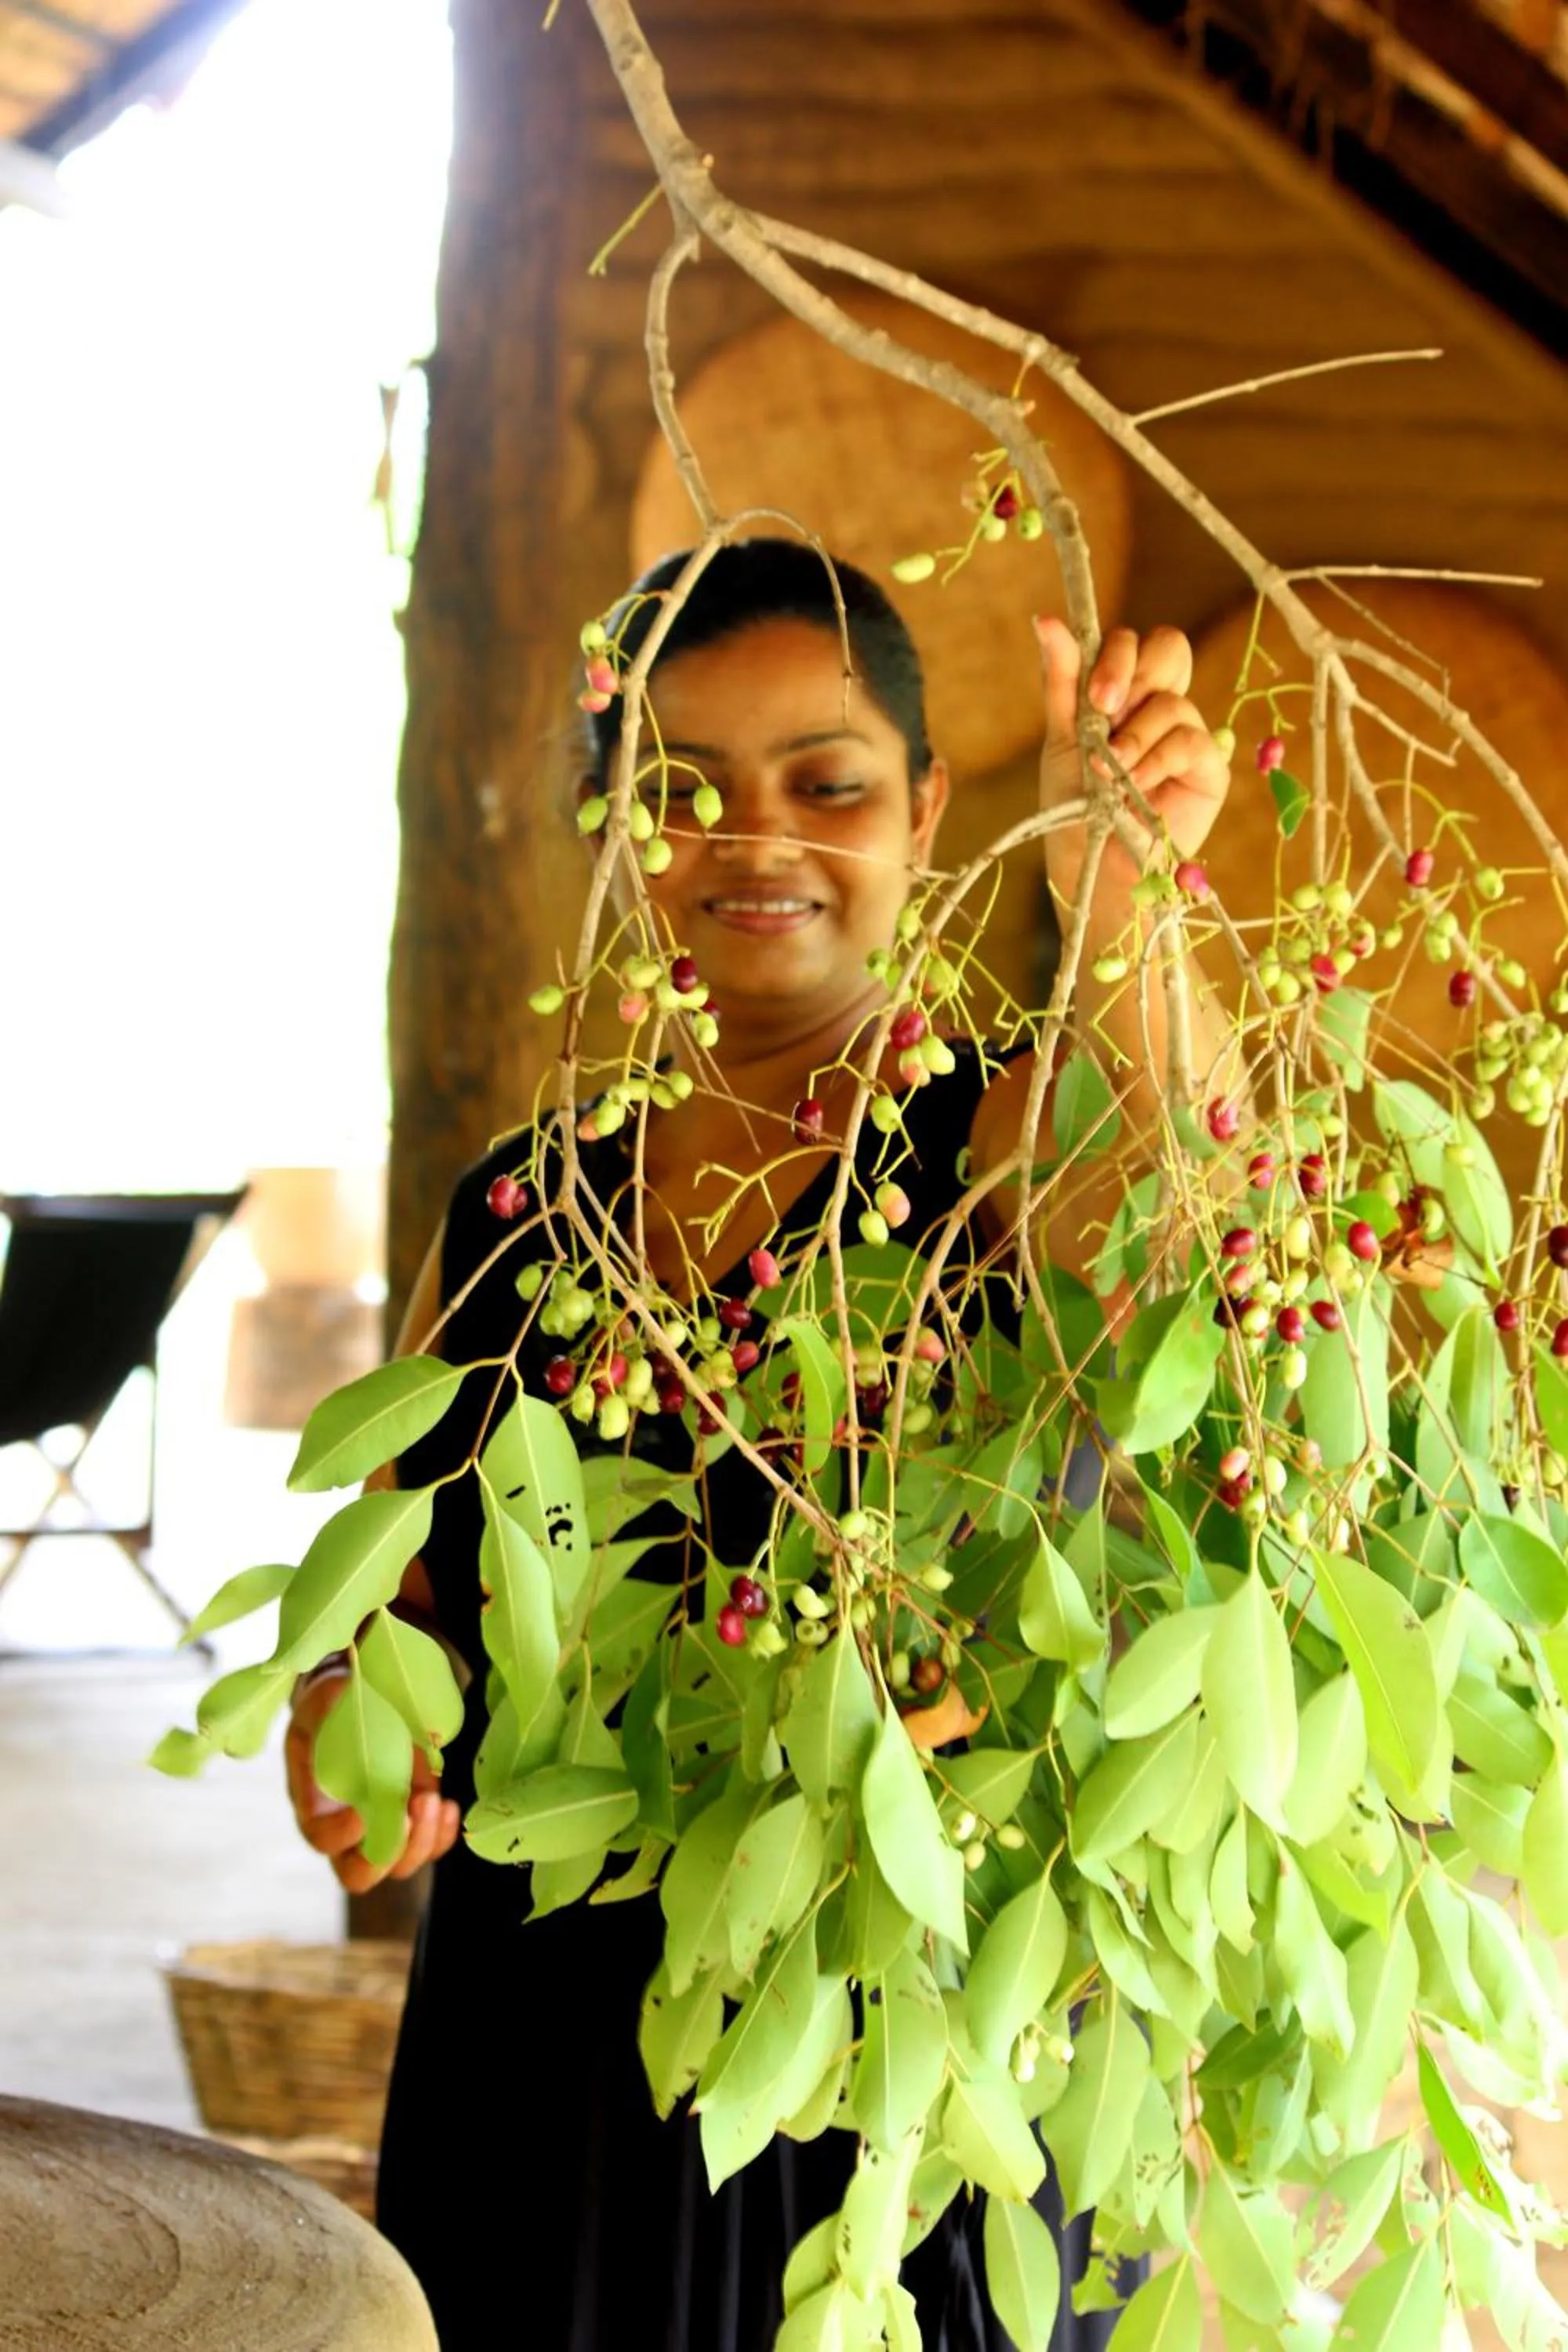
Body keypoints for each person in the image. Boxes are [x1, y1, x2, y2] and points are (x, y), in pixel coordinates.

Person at [285, 539, 1233, 2350]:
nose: (753, 839)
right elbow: (378, 1603)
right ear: (609, 821)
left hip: (878, 2096)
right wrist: (350, 1739)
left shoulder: (999, 1151)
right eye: (679, 790)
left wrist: (1131, 900)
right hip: (535, 2087)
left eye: (829, 781)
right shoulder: (516, 1210)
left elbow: (1200, 1271)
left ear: (930, 806)